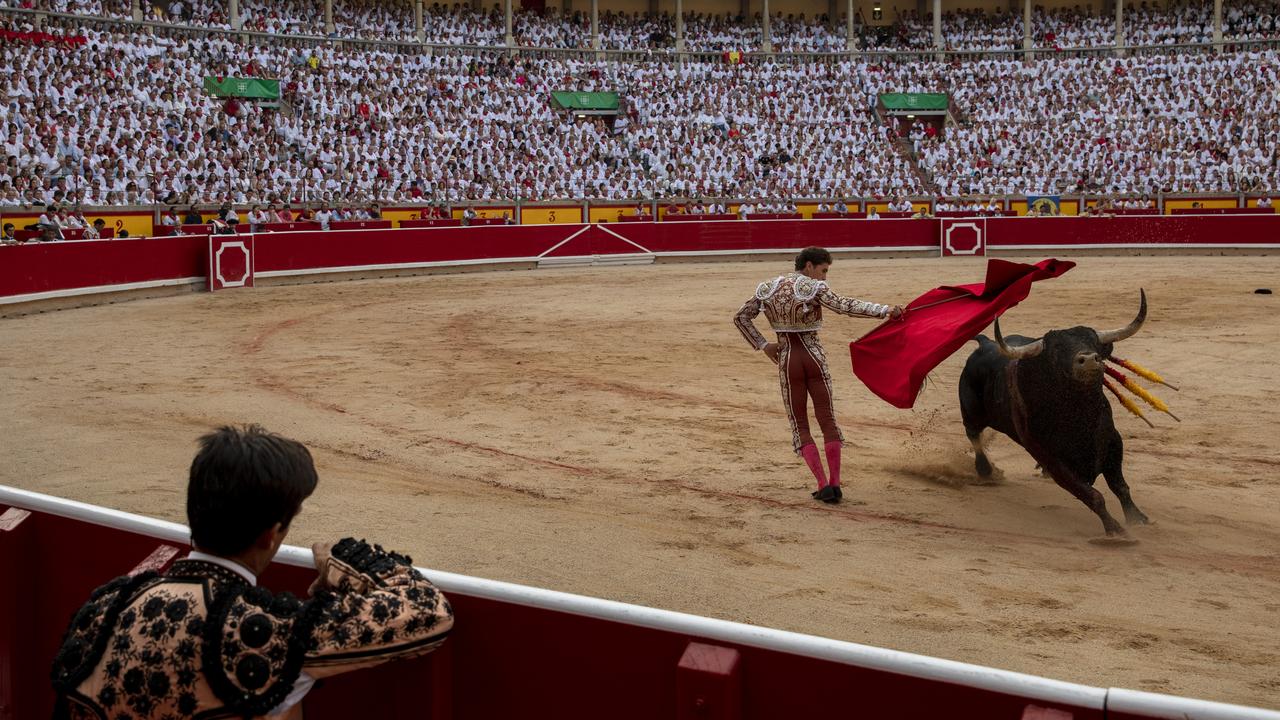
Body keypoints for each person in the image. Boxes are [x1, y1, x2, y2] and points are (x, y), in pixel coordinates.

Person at [51, 425, 454, 718]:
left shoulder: (106, 606)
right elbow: (427, 611)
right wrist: (352, 562)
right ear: (271, 534)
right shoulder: (265, 631)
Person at [733, 247, 903, 503]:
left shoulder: (767, 287)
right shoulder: (814, 287)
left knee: (800, 423)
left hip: (787, 359)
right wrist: (885, 310)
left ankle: (822, 484)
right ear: (809, 266)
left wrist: (763, 345)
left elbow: (741, 318)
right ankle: (835, 483)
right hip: (813, 356)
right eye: (823, 271)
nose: (823, 277)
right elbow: (845, 305)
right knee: (827, 419)